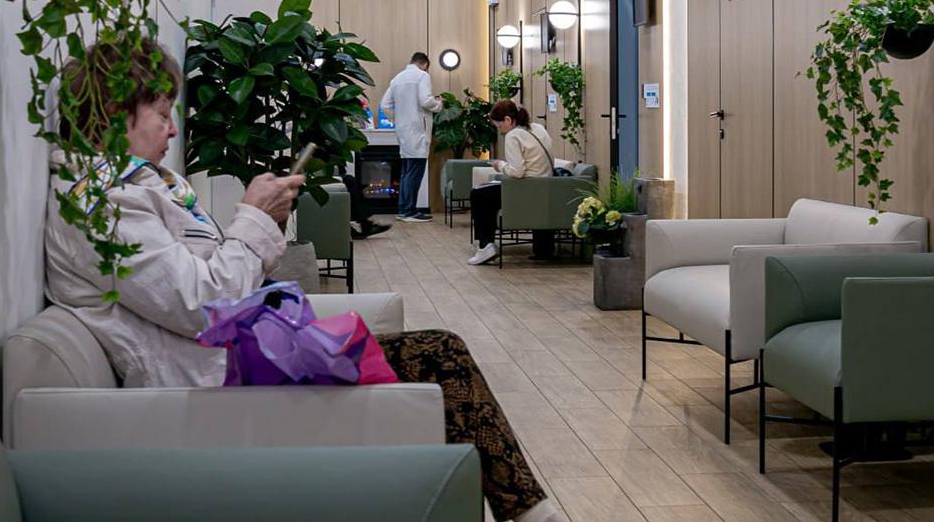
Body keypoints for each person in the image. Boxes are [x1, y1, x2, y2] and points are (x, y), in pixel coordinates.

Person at [44, 42, 561, 522]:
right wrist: (253, 217)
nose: (173, 131)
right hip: (221, 384)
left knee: (442, 360)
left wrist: (260, 221)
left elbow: (208, 282)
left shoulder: (137, 189)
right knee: (443, 356)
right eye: (161, 115)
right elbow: (204, 303)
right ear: (115, 115)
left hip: (243, 359)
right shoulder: (103, 206)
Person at [468, 100, 556, 266]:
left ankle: (485, 246)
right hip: (546, 188)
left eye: (499, 126)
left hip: (525, 190)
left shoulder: (513, 136)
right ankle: (544, 250)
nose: (499, 130)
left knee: (479, 194)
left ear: (508, 120)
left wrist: (500, 165)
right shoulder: (538, 128)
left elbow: (517, 171)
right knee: (488, 193)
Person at [379, 52, 442, 222]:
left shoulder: (397, 78)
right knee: (415, 171)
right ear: (425, 65)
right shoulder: (422, 76)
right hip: (418, 130)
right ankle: (409, 211)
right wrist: (439, 104)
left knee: (407, 171)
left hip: (403, 130)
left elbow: (384, 105)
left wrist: (398, 119)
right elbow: (426, 101)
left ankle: (403, 209)